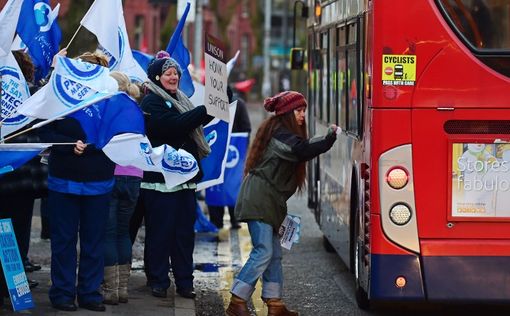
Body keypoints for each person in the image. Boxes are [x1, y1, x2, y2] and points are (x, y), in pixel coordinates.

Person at [226, 91, 338, 316]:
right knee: (264, 251)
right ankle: (237, 300)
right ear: (287, 113)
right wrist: (329, 138)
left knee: (274, 253)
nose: (302, 116)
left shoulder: (281, 132)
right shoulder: (280, 135)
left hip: (270, 201)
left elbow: (300, 147)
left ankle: (274, 303)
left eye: (304, 111)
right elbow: (301, 150)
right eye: (298, 111)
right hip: (259, 199)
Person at [38, 51, 115, 312]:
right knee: (64, 241)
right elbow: (44, 130)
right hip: (64, 180)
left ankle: (90, 294)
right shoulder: (59, 98)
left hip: (99, 181)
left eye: (93, 69)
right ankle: (62, 294)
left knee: (94, 243)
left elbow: (119, 135)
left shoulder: (110, 102)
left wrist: (91, 147)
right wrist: (69, 146)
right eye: (83, 68)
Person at [140, 57, 212, 299]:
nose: (173, 77)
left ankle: (184, 282)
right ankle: (158, 280)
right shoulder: (151, 100)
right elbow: (173, 126)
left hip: (185, 180)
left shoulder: (182, 100)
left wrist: (219, 101)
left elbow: (194, 120)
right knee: (160, 233)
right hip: (160, 180)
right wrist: (206, 109)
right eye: (168, 73)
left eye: (176, 73)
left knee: (183, 235)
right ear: (157, 77)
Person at [0, 50, 46, 307]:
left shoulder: (30, 98)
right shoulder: (32, 98)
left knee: (11, 235)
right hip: (23, 180)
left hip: (15, 179)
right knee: (17, 237)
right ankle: (15, 287)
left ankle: (13, 289)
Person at [101, 71, 143, 305]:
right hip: (134, 176)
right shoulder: (136, 109)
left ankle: (110, 290)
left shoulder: (110, 108)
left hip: (112, 174)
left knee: (108, 232)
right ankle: (123, 288)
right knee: (123, 232)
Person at [207, 86, 251, 229]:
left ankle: (227, 219)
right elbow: (246, 128)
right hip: (227, 155)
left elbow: (245, 128)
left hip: (230, 154)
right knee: (221, 184)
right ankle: (223, 219)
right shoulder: (210, 107)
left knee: (226, 184)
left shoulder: (237, 105)